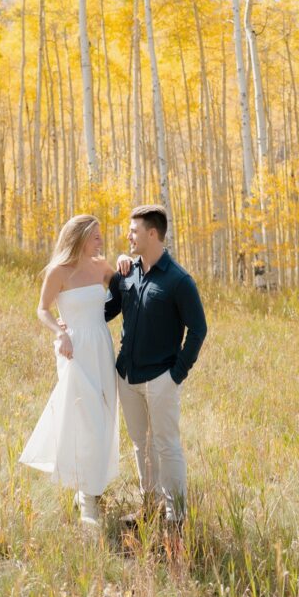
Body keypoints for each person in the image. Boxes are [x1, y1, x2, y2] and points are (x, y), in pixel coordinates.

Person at [106, 204, 207, 525]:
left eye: (133, 231)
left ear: (152, 234)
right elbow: (110, 311)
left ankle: (175, 516)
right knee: (140, 445)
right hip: (127, 375)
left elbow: (198, 329)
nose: (128, 236)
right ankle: (149, 508)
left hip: (160, 378)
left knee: (166, 446)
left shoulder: (179, 281)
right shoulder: (129, 272)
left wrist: (176, 374)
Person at [19, 214, 119, 526]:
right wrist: (59, 333)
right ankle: (87, 499)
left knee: (103, 417)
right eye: (96, 237)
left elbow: (124, 287)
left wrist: (127, 261)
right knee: (83, 416)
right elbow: (42, 309)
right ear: (79, 238)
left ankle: (92, 487)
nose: (101, 242)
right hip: (73, 349)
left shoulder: (102, 266)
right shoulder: (57, 271)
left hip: (101, 346)